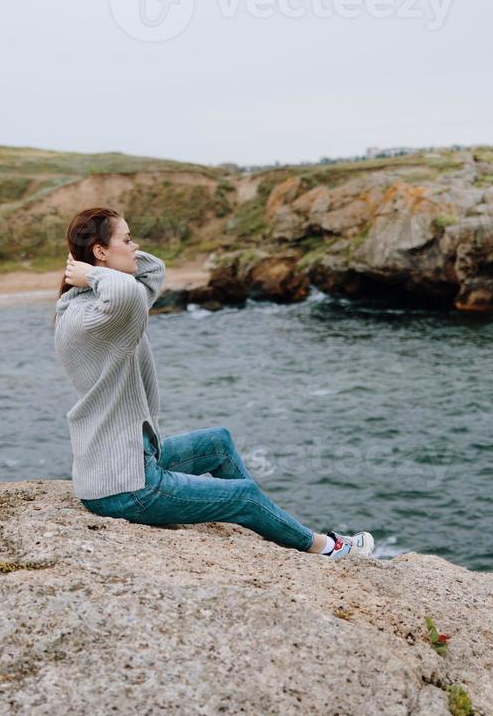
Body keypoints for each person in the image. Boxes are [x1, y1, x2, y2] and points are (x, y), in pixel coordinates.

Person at [53, 207, 374, 559]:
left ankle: (270, 525)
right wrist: (94, 272)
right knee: (244, 496)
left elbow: (153, 273)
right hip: (126, 487)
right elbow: (128, 292)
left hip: (129, 460)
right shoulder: (93, 316)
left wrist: (93, 267)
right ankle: (327, 548)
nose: (136, 246)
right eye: (127, 240)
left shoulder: (97, 303)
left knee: (217, 443)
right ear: (100, 251)